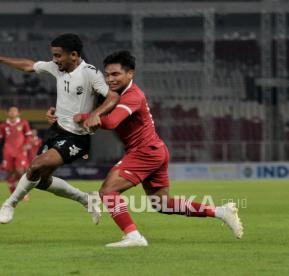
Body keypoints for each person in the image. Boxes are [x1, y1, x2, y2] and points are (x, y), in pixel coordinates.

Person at [75, 51, 243, 247]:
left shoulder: (133, 95)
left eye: (116, 74)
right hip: (154, 150)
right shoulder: (115, 94)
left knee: (107, 191)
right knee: (162, 204)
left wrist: (85, 118)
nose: (110, 79)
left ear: (130, 74)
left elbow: (111, 122)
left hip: (144, 151)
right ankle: (220, 211)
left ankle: (133, 236)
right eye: (108, 74)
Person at [0, 33, 119, 224]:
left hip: (77, 136)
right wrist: (0, 58)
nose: (55, 60)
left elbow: (112, 97)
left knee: (35, 165)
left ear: (74, 55)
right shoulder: (56, 68)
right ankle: (85, 198)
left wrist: (95, 114)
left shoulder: (90, 73)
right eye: (53, 55)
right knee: (40, 180)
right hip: (56, 130)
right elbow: (30, 65)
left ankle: (10, 204)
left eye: (58, 55)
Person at [0, 106, 32, 200]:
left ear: (18, 113)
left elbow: (29, 136)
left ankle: (23, 192)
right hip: (8, 151)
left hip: (20, 150)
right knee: (10, 173)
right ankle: (14, 194)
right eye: (11, 111)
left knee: (20, 171)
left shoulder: (23, 123)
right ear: (7, 113)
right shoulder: (3, 125)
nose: (13, 113)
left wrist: (27, 144)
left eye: (15, 111)